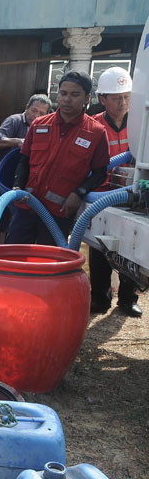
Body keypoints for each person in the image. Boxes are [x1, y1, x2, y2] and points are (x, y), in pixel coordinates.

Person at [6, 71, 109, 245]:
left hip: (59, 213)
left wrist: (79, 193)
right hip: (27, 208)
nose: (67, 99)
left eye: (74, 95)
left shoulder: (96, 133)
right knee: (14, 258)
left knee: (48, 264)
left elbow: (100, 173)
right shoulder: (39, 124)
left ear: (87, 98)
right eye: (63, 93)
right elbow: (24, 161)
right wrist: (18, 186)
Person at [89, 67, 141, 317]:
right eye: (116, 97)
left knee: (131, 247)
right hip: (101, 196)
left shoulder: (141, 124)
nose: (123, 102)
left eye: (127, 97)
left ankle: (128, 299)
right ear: (102, 99)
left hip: (134, 194)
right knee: (101, 247)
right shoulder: (93, 125)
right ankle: (100, 298)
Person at [0, 95, 52, 213]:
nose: (36, 116)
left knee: (3, 225)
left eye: (41, 113)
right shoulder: (15, 120)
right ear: (27, 107)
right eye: (34, 110)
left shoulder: (42, 130)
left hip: (9, 184)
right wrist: (18, 141)